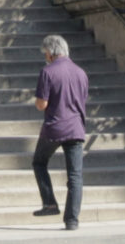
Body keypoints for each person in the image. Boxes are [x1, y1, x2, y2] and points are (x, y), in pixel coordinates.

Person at [32, 33, 89, 230]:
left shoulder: (48, 72)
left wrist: (39, 101)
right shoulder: (81, 72)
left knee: (39, 163)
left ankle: (49, 203)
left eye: (45, 52)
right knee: (75, 176)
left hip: (54, 127)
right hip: (76, 127)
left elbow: (42, 104)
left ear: (50, 52)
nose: (45, 56)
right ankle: (72, 220)